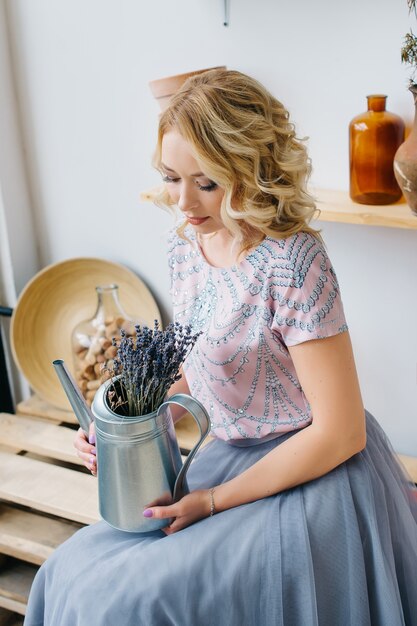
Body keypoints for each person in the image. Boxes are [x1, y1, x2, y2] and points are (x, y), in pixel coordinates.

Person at [24, 69, 417, 626]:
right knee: (66, 574)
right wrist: (118, 425)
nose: (183, 201)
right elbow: (203, 367)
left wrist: (212, 501)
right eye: (170, 176)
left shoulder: (294, 263)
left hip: (310, 475)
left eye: (205, 182)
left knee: (128, 604)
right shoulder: (188, 245)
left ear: (251, 170)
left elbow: (341, 431)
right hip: (224, 457)